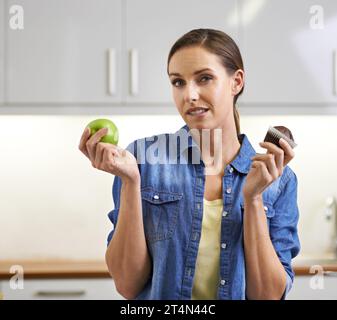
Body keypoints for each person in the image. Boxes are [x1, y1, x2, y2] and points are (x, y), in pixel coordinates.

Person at [78, 28, 300, 300]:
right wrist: (131, 182)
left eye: (204, 78)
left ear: (236, 81)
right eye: (178, 82)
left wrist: (253, 199)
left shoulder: (278, 180)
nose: (190, 95)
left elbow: (267, 296)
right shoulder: (142, 161)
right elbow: (127, 284)